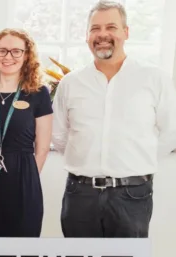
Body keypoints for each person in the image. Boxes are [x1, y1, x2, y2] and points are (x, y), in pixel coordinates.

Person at [52, 1, 176, 238]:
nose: (102, 35)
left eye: (111, 27)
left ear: (126, 32)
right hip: (80, 194)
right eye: (95, 28)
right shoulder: (71, 83)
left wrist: (136, 159)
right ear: (87, 35)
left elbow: (171, 130)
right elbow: (59, 134)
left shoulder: (154, 78)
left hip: (132, 195)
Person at [0, 28, 52, 238]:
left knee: (21, 249)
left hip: (23, 180)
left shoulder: (39, 94)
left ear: (26, 56)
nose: (9, 57)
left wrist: (28, 177)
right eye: (3, 51)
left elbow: (42, 147)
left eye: (16, 51)